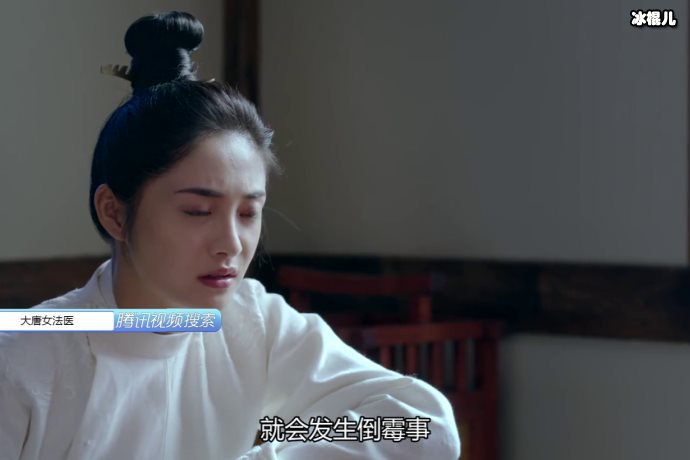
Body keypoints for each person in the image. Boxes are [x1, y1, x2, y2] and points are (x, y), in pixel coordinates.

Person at [0, 11, 461, 460]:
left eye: (248, 213)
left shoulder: (254, 321)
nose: (233, 244)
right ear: (114, 213)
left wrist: (274, 449)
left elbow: (425, 426)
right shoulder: (26, 355)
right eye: (198, 211)